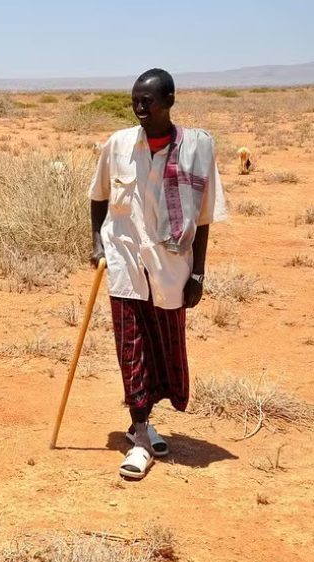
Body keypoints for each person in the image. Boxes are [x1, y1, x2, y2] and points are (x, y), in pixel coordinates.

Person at [88, 68, 227, 480]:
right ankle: (142, 438)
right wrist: (99, 243)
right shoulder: (117, 145)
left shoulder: (197, 150)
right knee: (131, 346)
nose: (140, 107)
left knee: (165, 347)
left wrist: (198, 273)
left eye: (148, 101)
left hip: (170, 266)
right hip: (126, 261)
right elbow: (98, 196)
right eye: (135, 100)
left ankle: (141, 425)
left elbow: (203, 219)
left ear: (169, 101)